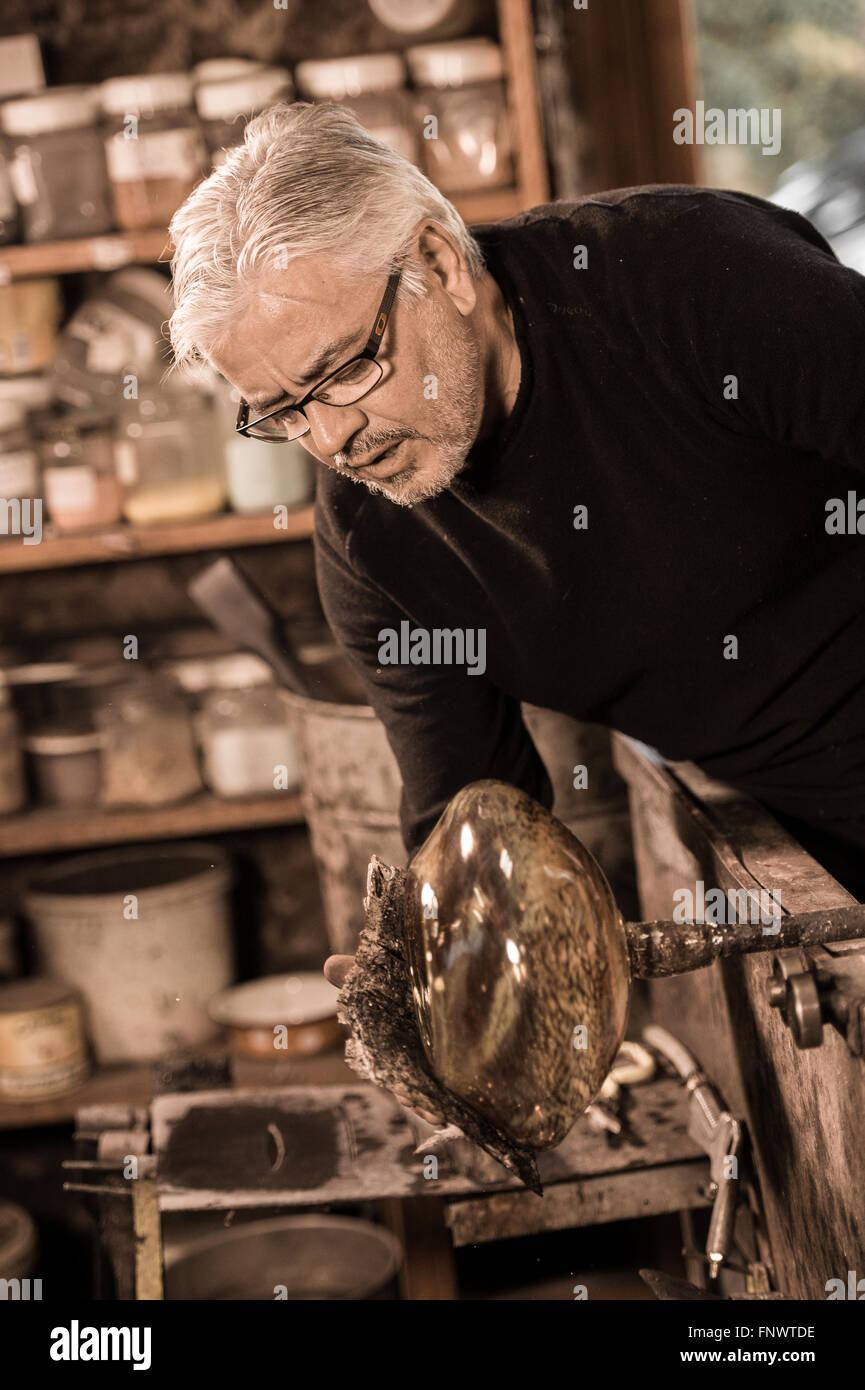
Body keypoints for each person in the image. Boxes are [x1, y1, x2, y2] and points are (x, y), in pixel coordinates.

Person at [169, 101, 865, 1016]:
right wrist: (438, 977)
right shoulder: (376, 551)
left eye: (344, 370)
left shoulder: (694, 279)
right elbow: (470, 817)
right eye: (283, 410)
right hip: (800, 834)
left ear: (438, 265)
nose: (332, 437)